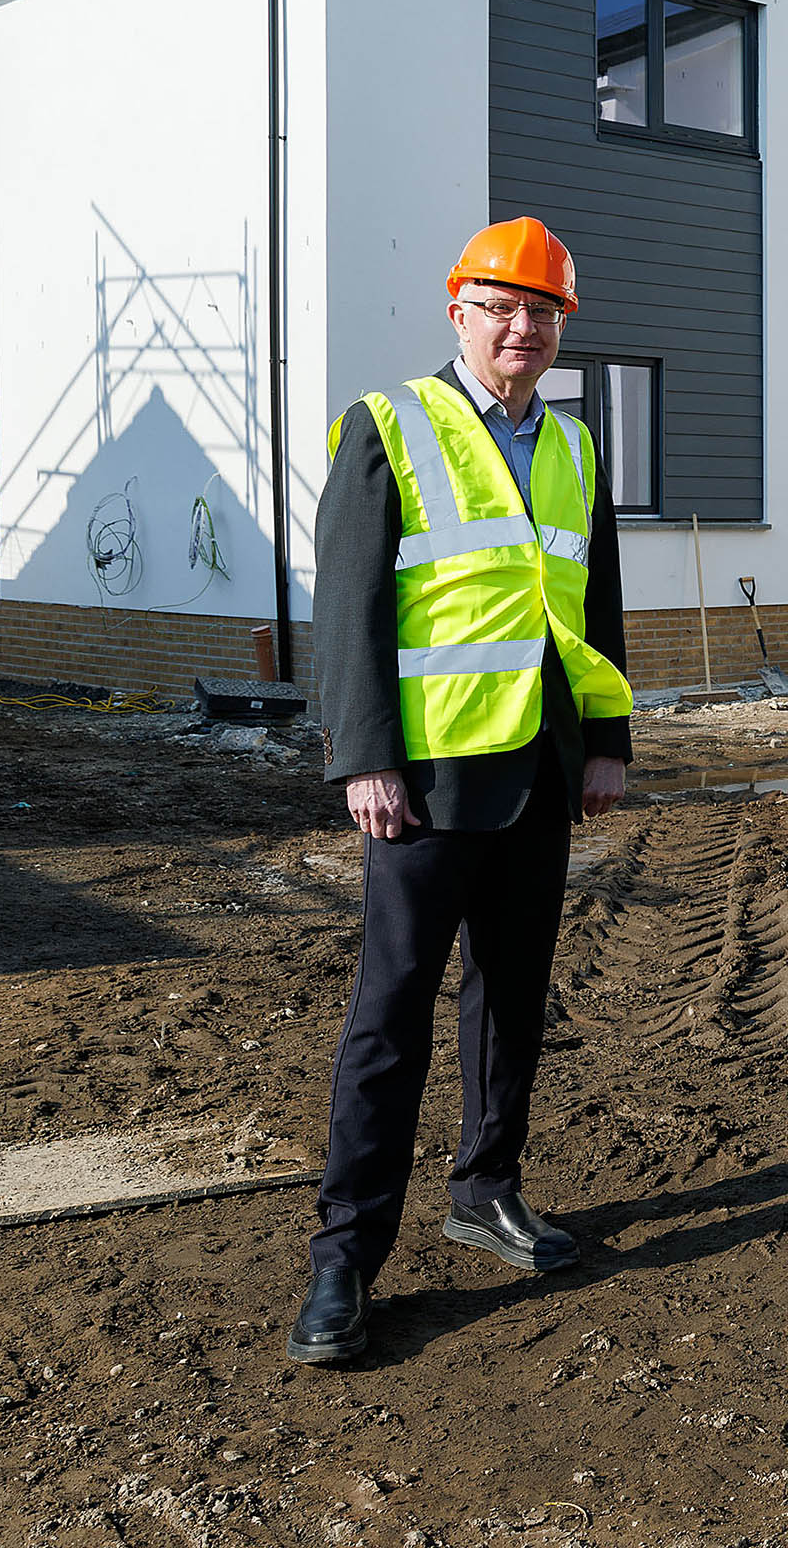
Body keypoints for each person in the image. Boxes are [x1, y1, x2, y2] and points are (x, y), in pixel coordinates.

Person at [288, 217, 634, 1365]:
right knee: (389, 1015)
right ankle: (346, 1254)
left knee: (513, 999)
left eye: (542, 309)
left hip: (539, 768)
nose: (522, 326)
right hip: (427, 780)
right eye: (501, 305)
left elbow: (593, 607)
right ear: (458, 313)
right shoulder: (389, 426)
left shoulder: (580, 448)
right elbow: (347, 607)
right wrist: (364, 755)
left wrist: (609, 741)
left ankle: (488, 1189)